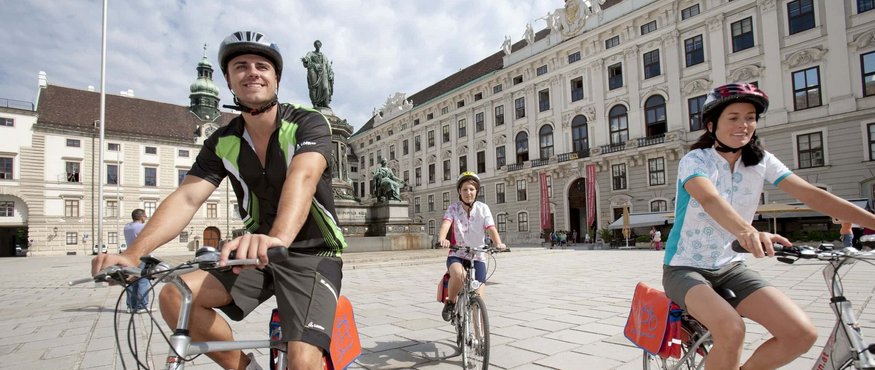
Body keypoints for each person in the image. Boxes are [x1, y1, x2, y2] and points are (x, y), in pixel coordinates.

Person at [92, 31, 347, 370]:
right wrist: (132, 254)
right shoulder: (222, 141)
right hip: (255, 256)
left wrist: (277, 238)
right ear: (228, 80)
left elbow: (304, 176)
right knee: (175, 295)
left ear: (276, 79)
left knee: (303, 361)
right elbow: (187, 196)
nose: (252, 72)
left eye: (262, 66)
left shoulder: (306, 122)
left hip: (312, 254)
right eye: (240, 66)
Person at [663, 83, 875, 370]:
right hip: (684, 267)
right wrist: (747, 232)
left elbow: (811, 194)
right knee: (731, 329)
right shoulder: (696, 160)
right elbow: (709, 198)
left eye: (750, 117)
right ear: (712, 125)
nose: (744, 125)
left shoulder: (761, 160)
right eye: (734, 117)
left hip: (731, 266)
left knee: (800, 334)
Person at [437, 172, 507, 321]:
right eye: (465, 189)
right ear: (459, 192)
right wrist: (442, 239)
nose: (468, 193)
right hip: (457, 254)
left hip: (478, 255)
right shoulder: (453, 208)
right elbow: (446, 224)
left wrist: (498, 243)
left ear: (477, 191)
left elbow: (491, 228)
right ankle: (451, 301)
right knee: (459, 275)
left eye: (472, 189)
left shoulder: (483, 208)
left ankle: (479, 335)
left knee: (479, 298)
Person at [124, 209, 149, 314]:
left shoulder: (127, 227)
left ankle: (131, 305)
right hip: (140, 255)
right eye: (145, 216)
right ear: (141, 217)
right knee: (143, 280)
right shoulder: (142, 227)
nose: (146, 218)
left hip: (129, 255)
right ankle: (141, 306)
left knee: (131, 281)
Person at [300, 40, 334, 109]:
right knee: (314, 88)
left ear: (320, 45)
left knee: (325, 88)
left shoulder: (324, 56)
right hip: (314, 71)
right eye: (316, 44)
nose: (317, 45)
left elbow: (328, 67)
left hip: (324, 72)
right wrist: (305, 60)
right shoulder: (311, 53)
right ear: (314, 46)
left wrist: (331, 74)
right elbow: (307, 59)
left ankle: (325, 103)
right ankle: (315, 103)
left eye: (319, 44)